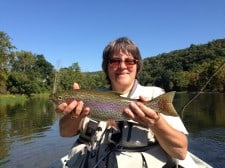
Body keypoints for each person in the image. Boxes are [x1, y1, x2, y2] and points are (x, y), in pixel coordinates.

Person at [56, 37, 197, 168]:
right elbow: (65, 133)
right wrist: (74, 115)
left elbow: (181, 152)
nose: (122, 66)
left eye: (129, 61)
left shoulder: (155, 96)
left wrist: (156, 123)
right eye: (115, 61)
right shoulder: (92, 95)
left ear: (137, 66)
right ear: (107, 66)